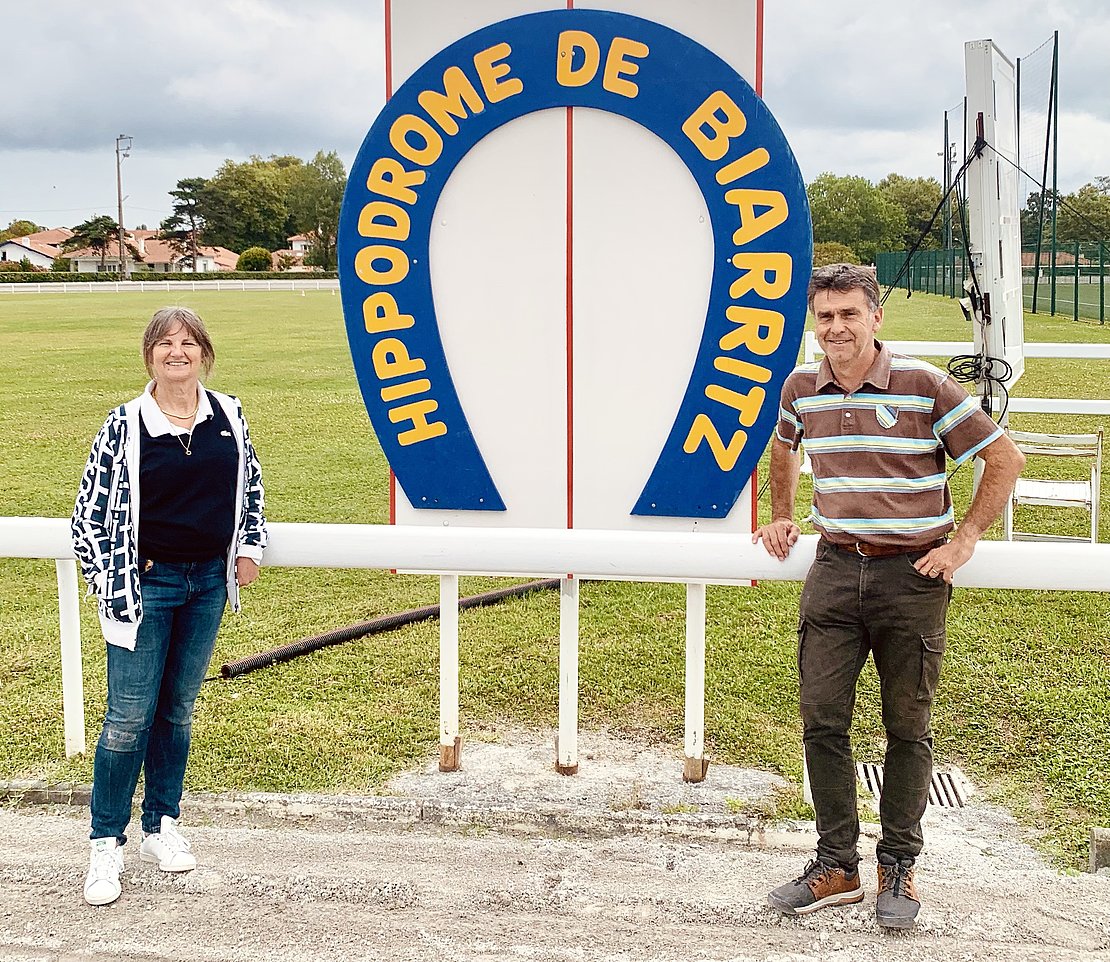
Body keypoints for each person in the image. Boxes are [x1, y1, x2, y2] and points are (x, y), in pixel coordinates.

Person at [753, 264, 1024, 929]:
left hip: (913, 578)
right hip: (836, 570)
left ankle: (898, 864)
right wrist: (780, 510)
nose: (837, 328)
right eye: (826, 317)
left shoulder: (923, 384)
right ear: (814, 323)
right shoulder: (800, 387)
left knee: (908, 728)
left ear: (876, 318)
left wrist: (963, 543)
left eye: (850, 314)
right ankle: (837, 866)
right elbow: (783, 444)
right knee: (822, 721)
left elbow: (1005, 457)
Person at [71, 306, 267, 906]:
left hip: (208, 583)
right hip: (146, 588)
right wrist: (115, 580)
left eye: (187, 343)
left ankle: (162, 824)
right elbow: (88, 516)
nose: (176, 353)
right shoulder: (124, 426)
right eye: (164, 344)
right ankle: (106, 844)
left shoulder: (228, 414)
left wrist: (247, 549)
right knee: (127, 718)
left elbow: (251, 487)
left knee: (178, 710)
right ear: (149, 356)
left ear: (204, 353)